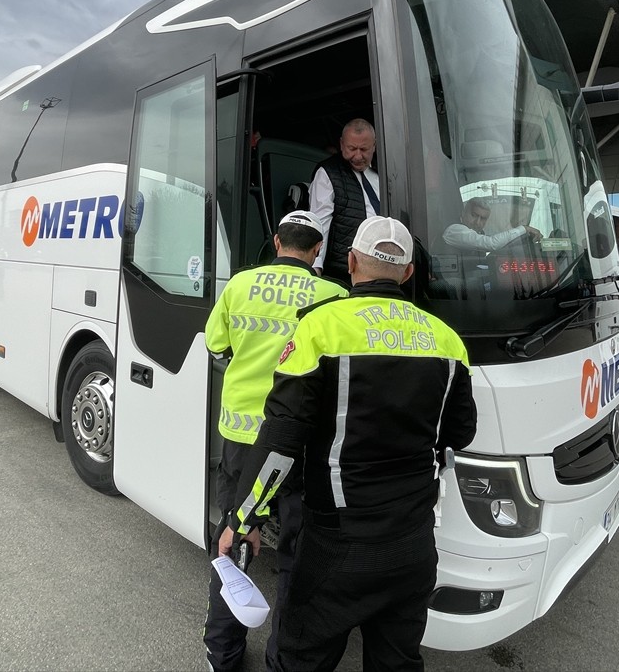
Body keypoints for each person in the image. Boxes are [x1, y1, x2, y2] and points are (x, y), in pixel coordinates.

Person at [219, 216, 477, 672]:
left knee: (301, 659)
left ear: (351, 262)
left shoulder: (321, 328)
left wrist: (243, 519)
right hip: (413, 546)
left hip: (337, 544)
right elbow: (460, 433)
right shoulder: (448, 340)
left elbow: (282, 439)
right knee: (397, 662)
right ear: (409, 273)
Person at [202, 210, 348, 672]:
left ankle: (222, 654)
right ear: (318, 250)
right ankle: (284, 656)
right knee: (297, 551)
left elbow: (215, 346)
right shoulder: (334, 296)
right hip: (300, 445)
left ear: (276, 240)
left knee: (232, 541)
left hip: (242, 440)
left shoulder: (240, 285)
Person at [309, 118, 379, 282]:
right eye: (352, 149)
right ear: (341, 145)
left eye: (364, 149)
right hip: (344, 271)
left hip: (382, 267)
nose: (358, 156)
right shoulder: (327, 172)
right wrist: (316, 267)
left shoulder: (385, 171)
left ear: (374, 146)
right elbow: (320, 222)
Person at [442, 197, 541, 252]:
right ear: (463, 213)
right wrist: (524, 228)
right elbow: (491, 244)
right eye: (474, 215)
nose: (477, 222)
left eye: (483, 219)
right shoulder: (454, 230)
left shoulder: (479, 234)